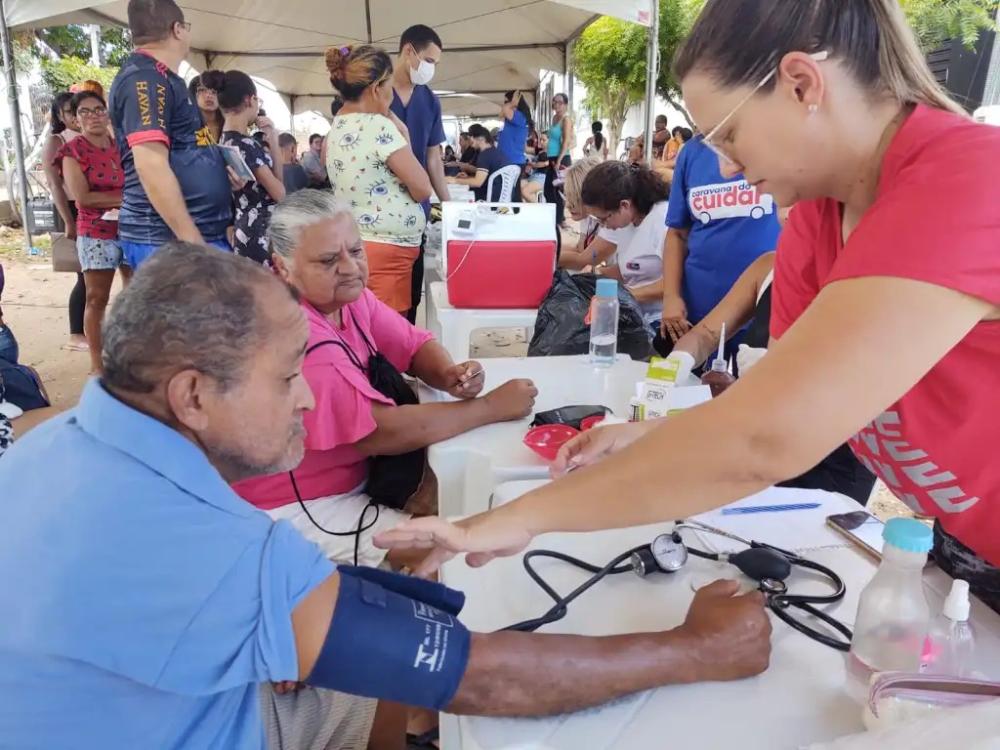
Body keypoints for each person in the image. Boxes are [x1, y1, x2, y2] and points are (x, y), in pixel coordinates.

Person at [0, 240, 773, 748]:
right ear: (194, 395)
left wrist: (382, 599)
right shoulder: (210, 549)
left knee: (385, 675)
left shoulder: (52, 444)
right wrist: (694, 648)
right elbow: (481, 678)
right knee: (432, 699)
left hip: (147, 708)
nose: (307, 400)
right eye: (286, 378)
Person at [374, 0, 1000, 621]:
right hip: (962, 538)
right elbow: (777, 399)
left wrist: (519, 519)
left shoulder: (964, 181)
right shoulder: (816, 215)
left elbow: (766, 438)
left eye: (729, 133)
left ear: (802, 84)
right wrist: (649, 434)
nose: (726, 164)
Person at [235, 190, 536, 569]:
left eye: (356, 251)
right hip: (301, 505)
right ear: (282, 267)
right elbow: (379, 431)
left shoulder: (345, 299)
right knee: (453, 550)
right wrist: (489, 407)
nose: (349, 268)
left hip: (360, 475)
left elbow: (411, 345)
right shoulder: (296, 337)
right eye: (329, 260)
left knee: (473, 507)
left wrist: (449, 375)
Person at [667, 244, 876, 505]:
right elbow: (706, 334)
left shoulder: (870, 279)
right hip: (758, 444)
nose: (790, 214)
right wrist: (673, 368)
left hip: (832, 460)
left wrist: (768, 382)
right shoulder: (768, 267)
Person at [109, 0, 235, 268]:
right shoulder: (145, 78)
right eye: (186, 28)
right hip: (167, 241)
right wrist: (192, 241)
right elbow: (151, 165)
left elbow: (184, 149)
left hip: (192, 237)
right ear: (178, 29)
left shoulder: (165, 80)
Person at [324, 44, 431, 314]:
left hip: (356, 243)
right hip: (388, 251)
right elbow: (422, 188)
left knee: (364, 324)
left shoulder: (337, 126)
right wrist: (403, 132)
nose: (391, 95)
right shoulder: (378, 126)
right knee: (388, 334)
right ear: (375, 89)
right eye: (389, 87)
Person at [660, 130, 781, 352]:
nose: (728, 169)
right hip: (698, 316)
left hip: (765, 312)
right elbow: (677, 233)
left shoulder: (778, 143)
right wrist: (671, 296)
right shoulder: (692, 153)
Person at [58, 90, 130, 375]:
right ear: (76, 119)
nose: (93, 116)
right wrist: (125, 198)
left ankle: (128, 357)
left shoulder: (122, 146)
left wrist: (124, 199)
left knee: (133, 294)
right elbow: (83, 198)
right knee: (97, 298)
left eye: (98, 109)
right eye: (85, 112)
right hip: (96, 232)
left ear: (107, 113)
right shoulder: (72, 152)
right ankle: (97, 365)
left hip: (130, 228)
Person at [390, 24, 449, 323]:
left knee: (411, 293)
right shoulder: (376, 94)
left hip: (416, 211)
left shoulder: (430, 100)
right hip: (380, 211)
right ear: (408, 51)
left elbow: (433, 159)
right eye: (429, 61)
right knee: (379, 296)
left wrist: (449, 205)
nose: (431, 69)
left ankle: (404, 362)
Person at [579, 161, 670, 338]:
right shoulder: (626, 223)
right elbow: (630, 269)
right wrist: (594, 276)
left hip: (661, 321)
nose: (603, 225)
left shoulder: (662, 221)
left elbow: (675, 284)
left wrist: (624, 296)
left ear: (624, 205)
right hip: (637, 314)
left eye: (604, 218)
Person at [210, 70, 285, 265]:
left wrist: (272, 140)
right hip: (262, 229)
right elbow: (280, 192)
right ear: (249, 100)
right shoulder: (247, 145)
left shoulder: (224, 141)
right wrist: (274, 141)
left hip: (243, 226)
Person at [41, 92, 88, 353]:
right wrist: (68, 220)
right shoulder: (56, 141)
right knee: (84, 273)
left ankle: (89, 327)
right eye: (70, 112)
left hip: (92, 206)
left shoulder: (90, 136)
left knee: (95, 274)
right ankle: (76, 333)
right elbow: (55, 184)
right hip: (71, 207)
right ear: (59, 115)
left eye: (78, 111)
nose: (76, 117)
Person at [556, 157, 615, 272]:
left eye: (575, 198)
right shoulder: (588, 216)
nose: (568, 205)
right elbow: (580, 248)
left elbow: (583, 260)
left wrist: (546, 257)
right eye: (567, 196)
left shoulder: (611, 221)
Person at [449, 123, 520, 203]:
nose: (470, 139)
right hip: (502, 198)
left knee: (456, 197)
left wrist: (454, 180)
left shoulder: (484, 155)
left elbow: (477, 182)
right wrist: (467, 178)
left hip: (488, 198)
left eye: (472, 137)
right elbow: (489, 176)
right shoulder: (495, 152)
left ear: (481, 138)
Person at [543, 93, 573, 229]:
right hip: (552, 157)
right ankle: (556, 217)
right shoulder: (554, 118)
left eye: (560, 102)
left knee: (559, 190)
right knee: (548, 190)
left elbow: (566, 141)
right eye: (554, 102)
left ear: (565, 104)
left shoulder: (566, 120)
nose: (556, 104)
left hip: (561, 158)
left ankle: (560, 220)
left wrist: (559, 160)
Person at [188, 72, 224, 144]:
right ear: (193, 94)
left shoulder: (227, 124)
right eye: (202, 90)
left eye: (214, 92)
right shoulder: (188, 125)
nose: (209, 95)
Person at [498, 90, 532, 165]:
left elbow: (505, 109)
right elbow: (500, 115)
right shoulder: (512, 117)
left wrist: (513, 103)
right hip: (507, 161)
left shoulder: (520, 116)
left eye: (507, 102)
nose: (505, 104)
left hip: (512, 161)